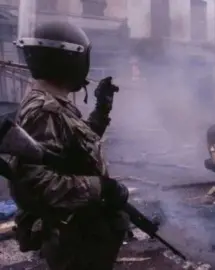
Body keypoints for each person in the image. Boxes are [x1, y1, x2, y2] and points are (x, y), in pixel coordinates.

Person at [9, 21, 130, 269]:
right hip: (71, 237)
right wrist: (101, 187)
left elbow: (76, 148)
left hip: (78, 232)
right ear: (68, 61)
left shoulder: (53, 103)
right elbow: (34, 184)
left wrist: (102, 109)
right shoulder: (44, 110)